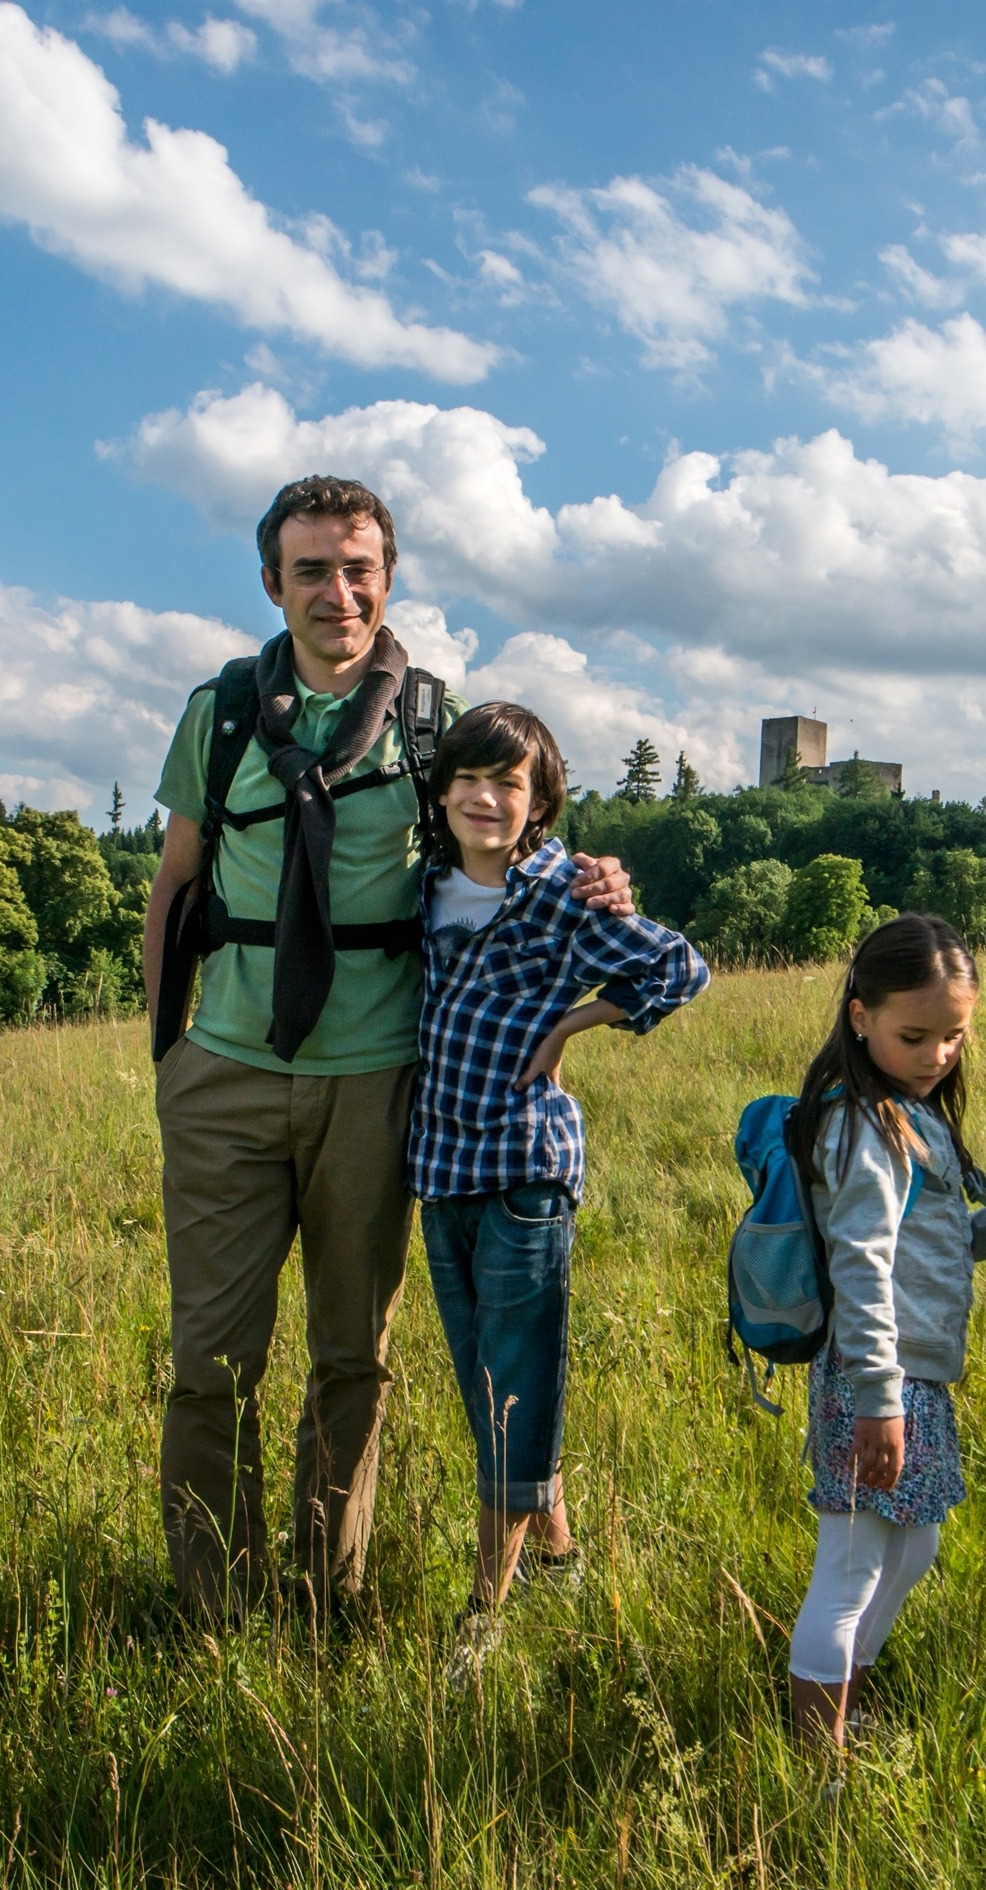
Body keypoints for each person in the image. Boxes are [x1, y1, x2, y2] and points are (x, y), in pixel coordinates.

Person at [141, 475, 635, 1625]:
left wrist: (598, 881)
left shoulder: (428, 714)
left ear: (388, 578)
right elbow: (173, 886)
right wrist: (167, 1057)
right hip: (226, 1072)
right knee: (210, 1364)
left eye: (358, 566)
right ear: (272, 584)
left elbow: (506, 830)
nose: (337, 590)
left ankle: (328, 1599)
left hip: (377, 1082)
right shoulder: (218, 714)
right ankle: (214, 1605)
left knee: (350, 1361)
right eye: (311, 568)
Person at [410, 702, 710, 1655]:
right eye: (470, 778)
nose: (485, 798)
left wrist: (573, 1024)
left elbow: (680, 967)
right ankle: (559, 1559)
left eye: (510, 783)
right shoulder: (424, 886)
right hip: (439, 1164)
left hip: (523, 1169)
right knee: (489, 1383)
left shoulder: (561, 893)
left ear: (539, 800)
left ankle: (483, 1618)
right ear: (443, 788)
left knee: (512, 1392)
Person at [786, 915, 986, 1749]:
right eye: (915, 1035)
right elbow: (862, 1267)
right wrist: (878, 1399)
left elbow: (935, 1249)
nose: (938, 1053)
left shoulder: (915, 1115)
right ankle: (812, 1753)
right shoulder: (865, 1125)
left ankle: (843, 1706)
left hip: (915, 1377)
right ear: (859, 1016)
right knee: (851, 1565)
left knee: (913, 1550)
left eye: (954, 1035)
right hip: (877, 1376)